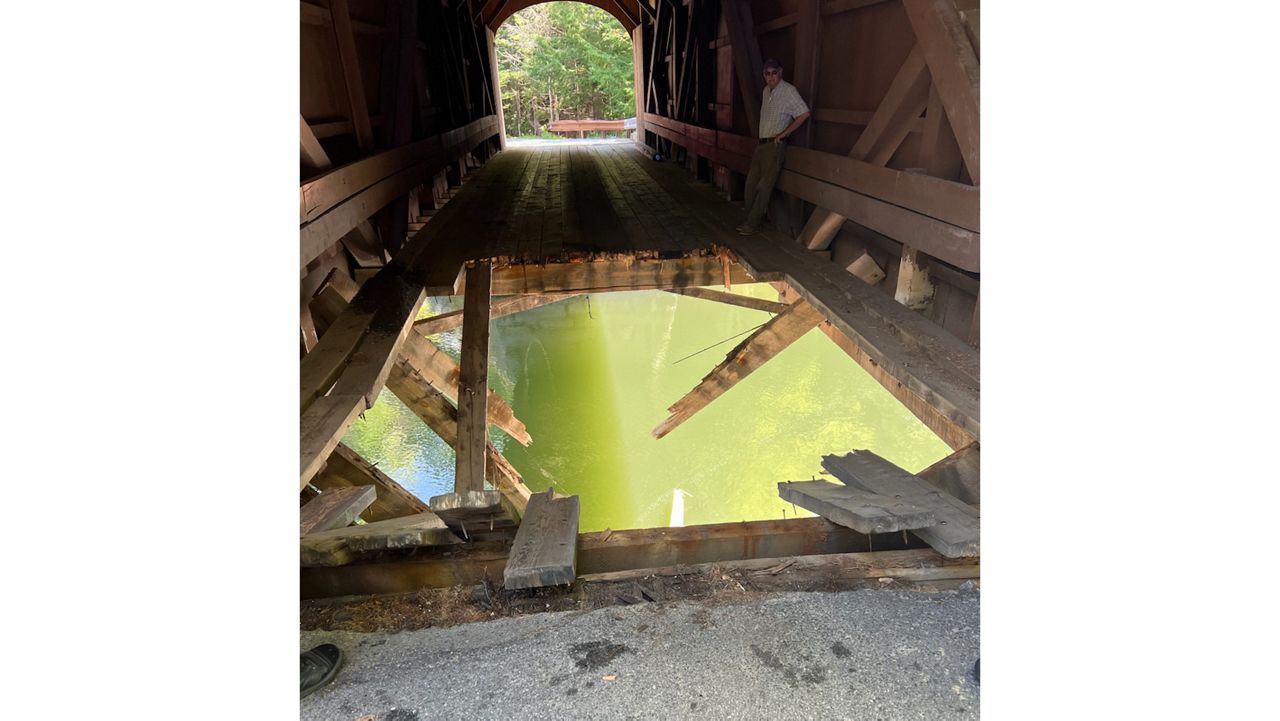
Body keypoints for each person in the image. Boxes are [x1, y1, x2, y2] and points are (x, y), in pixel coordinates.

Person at [738, 58, 811, 236]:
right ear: (764, 75)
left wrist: (785, 133)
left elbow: (804, 113)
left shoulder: (788, 91)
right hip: (761, 144)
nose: (771, 77)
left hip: (774, 146)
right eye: (767, 73)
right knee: (750, 185)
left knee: (764, 187)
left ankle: (751, 225)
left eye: (774, 72)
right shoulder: (765, 91)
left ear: (780, 72)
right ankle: (751, 220)